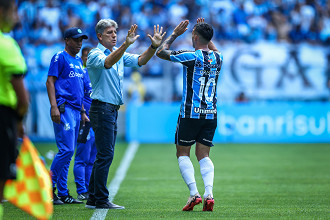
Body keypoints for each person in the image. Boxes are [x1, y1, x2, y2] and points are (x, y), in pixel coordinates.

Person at [85, 19, 165, 209]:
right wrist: (124, 45)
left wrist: (153, 46)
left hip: (110, 109)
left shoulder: (118, 53)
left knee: (103, 155)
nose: (114, 35)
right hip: (101, 108)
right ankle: (101, 199)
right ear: (99, 36)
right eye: (110, 33)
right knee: (105, 155)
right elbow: (107, 63)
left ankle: (93, 197)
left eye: (115, 32)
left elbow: (140, 61)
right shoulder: (95, 54)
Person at [156, 18, 223, 212]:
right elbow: (213, 49)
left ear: (194, 37)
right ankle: (209, 194)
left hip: (190, 113)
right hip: (211, 114)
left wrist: (175, 34)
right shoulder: (219, 58)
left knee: (182, 153)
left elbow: (160, 52)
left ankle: (194, 194)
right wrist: (204, 33)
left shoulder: (191, 56)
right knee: (203, 155)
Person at [46, 27, 89, 205]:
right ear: (67, 40)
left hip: (76, 111)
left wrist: (83, 112)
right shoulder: (59, 57)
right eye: (76, 39)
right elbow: (50, 80)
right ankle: (48, 185)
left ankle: (62, 193)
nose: (79, 43)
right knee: (67, 150)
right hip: (64, 109)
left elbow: (78, 90)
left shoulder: (79, 61)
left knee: (67, 152)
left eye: (81, 40)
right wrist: (54, 106)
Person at [0, 0, 29, 217]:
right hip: (3, 116)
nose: (17, 17)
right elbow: (23, 99)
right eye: (14, 12)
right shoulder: (6, 45)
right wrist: (19, 121)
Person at [73, 46, 97, 201]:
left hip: (97, 121)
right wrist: (82, 113)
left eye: (91, 56)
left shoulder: (97, 74)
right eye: (87, 56)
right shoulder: (80, 74)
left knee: (92, 158)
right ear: (82, 58)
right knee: (82, 156)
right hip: (85, 121)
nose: (89, 59)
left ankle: (89, 188)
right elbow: (79, 96)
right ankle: (81, 189)